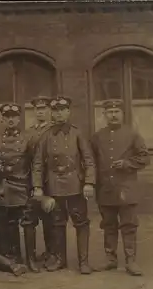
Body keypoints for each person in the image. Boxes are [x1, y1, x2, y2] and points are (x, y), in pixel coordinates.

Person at [32, 96, 96, 274]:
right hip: (54, 186)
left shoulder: (78, 133)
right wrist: (37, 186)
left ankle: (84, 261)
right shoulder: (46, 135)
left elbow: (88, 160)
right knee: (57, 223)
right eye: (55, 111)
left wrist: (89, 182)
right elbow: (38, 163)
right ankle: (61, 260)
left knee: (81, 223)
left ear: (68, 112)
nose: (59, 114)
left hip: (75, 185)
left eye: (62, 110)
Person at [90, 99, 150, 276]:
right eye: (110, 112)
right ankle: (111, 259)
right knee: (108, 224)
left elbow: (145, 158)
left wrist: (126, 163)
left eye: (117, 111)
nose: (113, 115)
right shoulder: (97, 136)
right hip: (105, 189)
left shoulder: (132, 134)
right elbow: (91, 161)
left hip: (126, 188)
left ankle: (131, 261)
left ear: (123, 114)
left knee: (129, 224)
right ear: (104, 115)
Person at [0, 103, 35, 268]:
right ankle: (14, 256)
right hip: (4, 185)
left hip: (22, 184)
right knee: (9, 223)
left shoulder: (27, 138)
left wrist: (34, 185)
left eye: (13, 117)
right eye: (7, 117)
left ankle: (31, 258)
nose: (10, 120)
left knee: (28, 222)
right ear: (3, 118)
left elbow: (34, 163)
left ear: (19, 118)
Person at [27, 96, 55, 265]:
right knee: (31, 216)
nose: (41, 111)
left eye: (44, 108)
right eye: (38, 109)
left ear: (49, 111)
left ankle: (51, 252)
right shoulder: (28, 132)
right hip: (32, 179)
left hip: (50, 179)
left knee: (50, 218)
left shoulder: (53, 131)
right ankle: (33, 253)